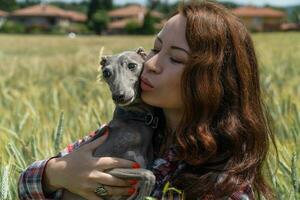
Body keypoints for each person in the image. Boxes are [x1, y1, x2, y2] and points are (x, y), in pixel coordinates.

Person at [18, 1, 276, 199]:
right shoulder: (129, 124)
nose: (151, 63)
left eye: (175, 58)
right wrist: (55, 174)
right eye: (155, 48)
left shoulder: (224, 181)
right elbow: (22, 183)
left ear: (213, 80)